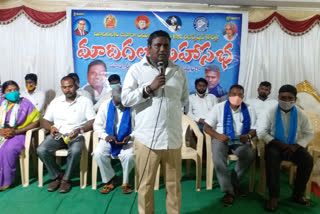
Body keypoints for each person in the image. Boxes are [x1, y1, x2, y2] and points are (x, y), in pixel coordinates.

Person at [122, 30, 189, 214]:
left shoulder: (178, 71)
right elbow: (125, 99)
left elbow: (184, 101)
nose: (162, 49)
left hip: (172, 139)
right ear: (148, 48)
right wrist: (149, 89)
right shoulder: (136, 70)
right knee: (145, 186)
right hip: (146, 140)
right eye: (157, 45)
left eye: (166, 45)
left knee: (174, 186)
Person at [258, 84, 313, 211]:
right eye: (283, 97)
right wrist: (279, 144)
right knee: (272, 157)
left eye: (290, 98)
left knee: (307, 160)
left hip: (294, 146)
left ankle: (298, 194)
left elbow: (309, 133)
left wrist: (296, 146)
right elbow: (262, 131)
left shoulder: (301, 114)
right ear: (278, 97)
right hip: (275, 145)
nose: (286, 101)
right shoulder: (269, 111)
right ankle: (274, 197)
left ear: (295, 99)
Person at [37, 76, 95, 193]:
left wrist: (80, 130)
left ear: (76, 86)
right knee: (41, 150)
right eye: (64, 87)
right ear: (61, 88)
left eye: (70, 87)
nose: (67, 90)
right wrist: (51, 127)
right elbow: (44, 121)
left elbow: (93, 122)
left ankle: (66, 180)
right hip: (59, 134)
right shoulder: (56, 102)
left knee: (75, 151)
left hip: (76, 135)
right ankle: (57, 176)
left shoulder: (85, 102)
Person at [204, 84, 256, 207]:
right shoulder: (219, 107)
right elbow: (206, 127)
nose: (236, 97)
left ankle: (233, 182)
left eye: (239, 94)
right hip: (221, 137)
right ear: (228, 95)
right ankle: (228, 191)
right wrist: (218, 136)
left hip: (239, 139)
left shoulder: (249, 108)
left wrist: (248, 136)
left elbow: (254, 129)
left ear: (243, 96)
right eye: (233, 94)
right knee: (217, 156)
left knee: (249, 154)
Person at [93, 86, 134, 194]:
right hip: (109, 138)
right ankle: (110, 178)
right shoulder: (105, 105)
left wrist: (131, 136)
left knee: (129, 156)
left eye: (122, 102)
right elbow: (97, 126)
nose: (119, 105)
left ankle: (125, 182)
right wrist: (106, 136)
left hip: (128, 140)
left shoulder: (133, 106)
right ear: (112, 97)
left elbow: (140, 127)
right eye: (117, 102)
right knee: (98, 153)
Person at [0, 80, 40, 190]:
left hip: (19, 133)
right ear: (4, 93)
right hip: (1, 132)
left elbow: (36, 121)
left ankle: (4, 181)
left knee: (8, 149)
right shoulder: (0, 104)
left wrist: (16, 131)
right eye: (9, 90)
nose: (13, 92)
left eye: (15, 90)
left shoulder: (25, 103)